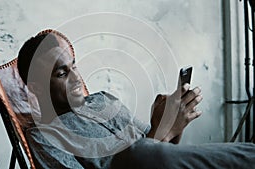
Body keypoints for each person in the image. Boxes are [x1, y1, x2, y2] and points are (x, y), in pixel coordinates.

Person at [17, 31, 255, 169]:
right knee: (137, 153)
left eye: (74, 66)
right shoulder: (44, 136)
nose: (77, 77)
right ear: (36, 87)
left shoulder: (104, 100)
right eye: (62, 73)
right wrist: (161, 134)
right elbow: (147, 155)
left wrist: (171, 120)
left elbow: (163, 154)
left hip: (155, 160)